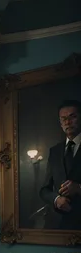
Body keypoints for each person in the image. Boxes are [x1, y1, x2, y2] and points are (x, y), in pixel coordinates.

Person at [39, 99, 81, 230]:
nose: (67, 122)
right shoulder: (54, 151)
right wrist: (56, 199)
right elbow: (44, 190)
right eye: (63, 119)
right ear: (60, 123)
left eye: (72, 117)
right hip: (58, 226)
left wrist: (79, 189)